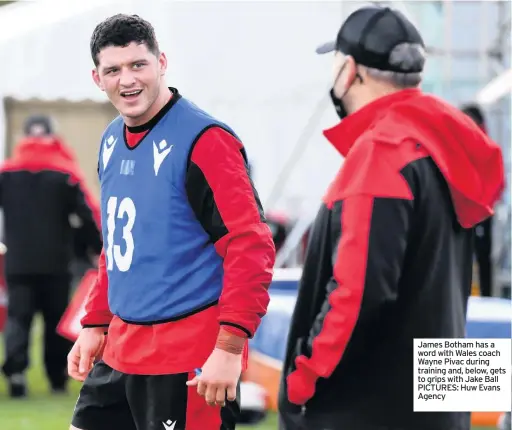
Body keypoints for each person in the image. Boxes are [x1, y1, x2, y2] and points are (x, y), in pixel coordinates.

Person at [278, 5, 505, 430]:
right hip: (436, 409)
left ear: (349, 70)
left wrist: (301, 382)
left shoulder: (382, 153)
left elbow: (359, 292)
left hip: (368, 408)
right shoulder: (444, 146)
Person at [68, 14, 275, 430]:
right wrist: (95, 321)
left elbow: (250, 245)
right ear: (97, 77)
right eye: (113, 70)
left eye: (137, 65)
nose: (127, 80)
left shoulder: (207, 141)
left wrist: (230, 346)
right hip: (121, 350)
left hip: (187, 359)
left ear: (162, 62)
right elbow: (120, 242)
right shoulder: (111, 139)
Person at [0, 115, 101, 398]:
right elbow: (86, 216)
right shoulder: (64, 175)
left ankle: (16, 373)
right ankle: (57, 378)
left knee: (18, 319)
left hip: (18, 262)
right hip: (56, 262)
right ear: (52, 136)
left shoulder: (7, 174)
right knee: (55, 322)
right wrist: (96, 249)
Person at [461, 103, 496, 297]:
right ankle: (466, 293)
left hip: (482, 209)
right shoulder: (459, 146)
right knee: (464, 255)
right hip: (464, 209)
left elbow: (496, 182)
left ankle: (486, 294)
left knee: (482, 256)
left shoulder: (484, 147)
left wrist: (486, 204)